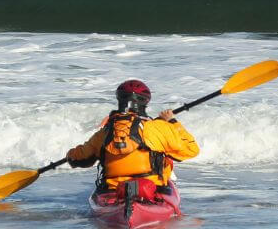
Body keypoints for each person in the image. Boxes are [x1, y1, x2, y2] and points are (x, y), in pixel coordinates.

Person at [66, 79, 200, 194]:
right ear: (145, 102)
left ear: (120, 99)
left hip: (114, 191)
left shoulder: (104, 132)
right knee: (167, 158)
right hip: (151, 189)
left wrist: (70, 154)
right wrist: (172, 122)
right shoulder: (158, 127)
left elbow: (78, 158)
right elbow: (191, 149)